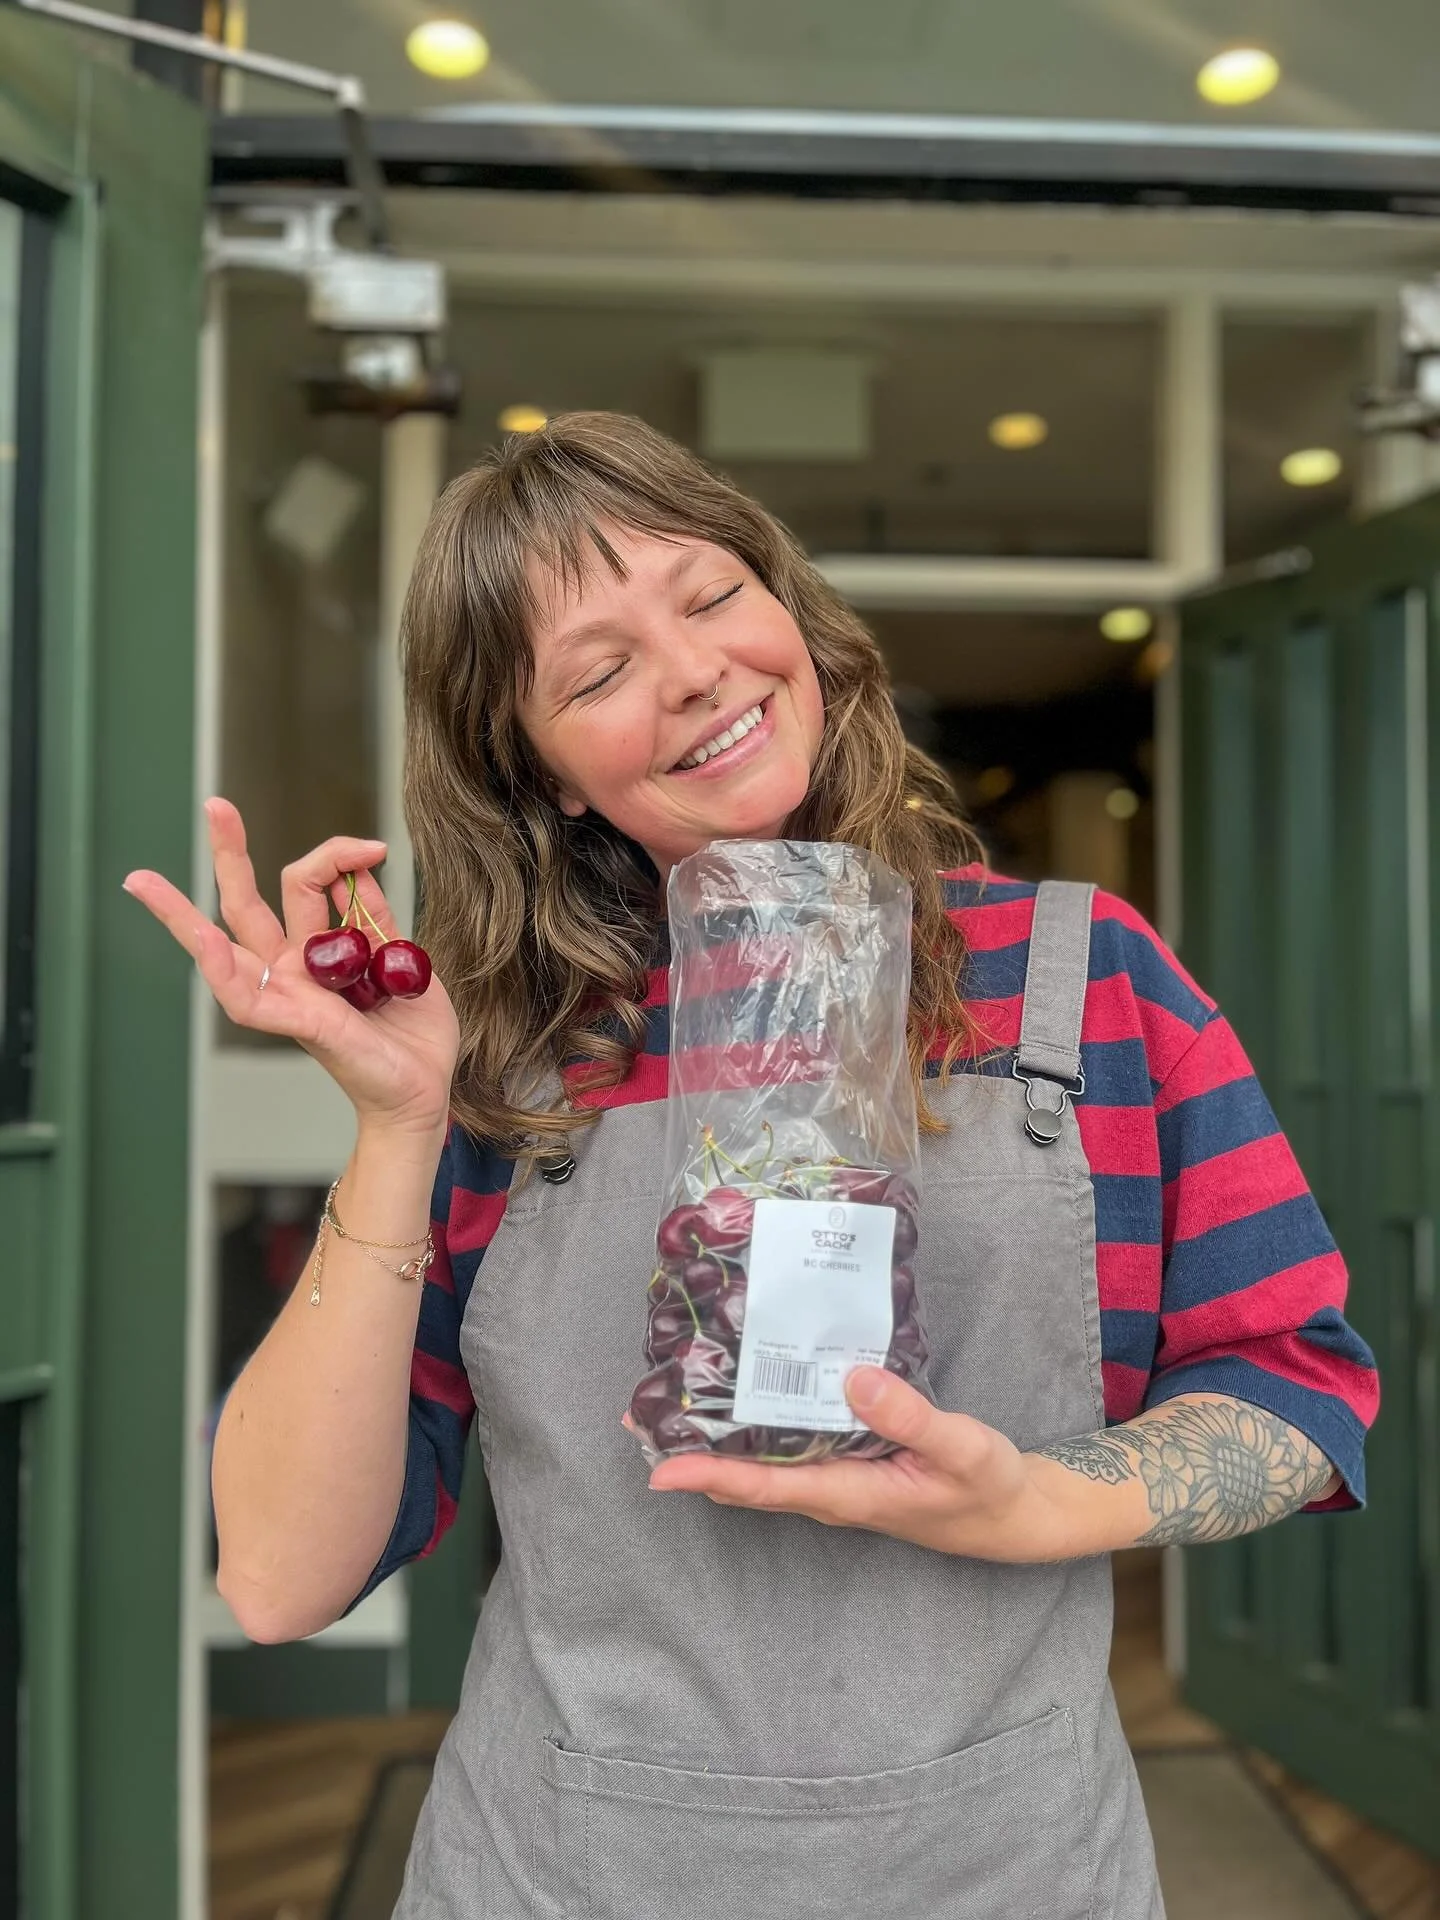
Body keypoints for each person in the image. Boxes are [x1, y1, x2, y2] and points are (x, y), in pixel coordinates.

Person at [126, 412, 1378, 1919]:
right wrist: (399, 1124)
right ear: (543, 774)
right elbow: (280, 1575)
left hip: (1010, 1871)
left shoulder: (1082, 983)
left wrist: (1051, 1502)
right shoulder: (505, 1057)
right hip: (564, 1877)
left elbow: (1296, 1392)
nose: (694, 669)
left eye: (713, 595)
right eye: (597, 672)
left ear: (791, 612)